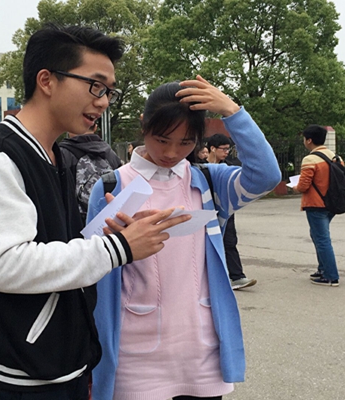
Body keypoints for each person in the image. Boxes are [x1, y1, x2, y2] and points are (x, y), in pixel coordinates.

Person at [0, 24, 190, 400]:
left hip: (66, 364)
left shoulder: (58, 156)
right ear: (47, 80)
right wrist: (118, 248)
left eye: (109, 91)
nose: (104, 101)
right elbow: (4, 264)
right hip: (17, 377)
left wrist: (113, 233)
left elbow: (57, 243)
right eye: (96, 86)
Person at [88, 78, 281, 399]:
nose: (171, 152)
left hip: (202, 351)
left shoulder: (209, 181)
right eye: (162, 139)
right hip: (134, 356)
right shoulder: (113, 185)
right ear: (143, 125)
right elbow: (92, 268)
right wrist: (115, 246)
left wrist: (233, 112)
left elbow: (266, 176)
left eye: (186, 142)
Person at [206, 134, 257, 290]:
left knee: (229, 241)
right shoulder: (200, 167)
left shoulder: (229, 167)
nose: (226, 152)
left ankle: (237, 276)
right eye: (223, 149)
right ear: (212, 148)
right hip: (205, 209)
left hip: (225, 209)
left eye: (228, 149)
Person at [293, 125, 340, 286]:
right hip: (332, 202)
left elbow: (303, 186)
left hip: (315, 204)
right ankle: (323, 269)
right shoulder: (334, 156)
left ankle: (330, 276)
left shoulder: (310, 159)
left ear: (309, 140)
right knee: (318, 236)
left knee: (322, 239)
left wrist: (295, 187)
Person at [60, 123, 123, 222]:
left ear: (69, 130)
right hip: (108, 219)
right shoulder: (110, 154)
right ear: (95, 127)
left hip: (76, 221)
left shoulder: (62, 154)